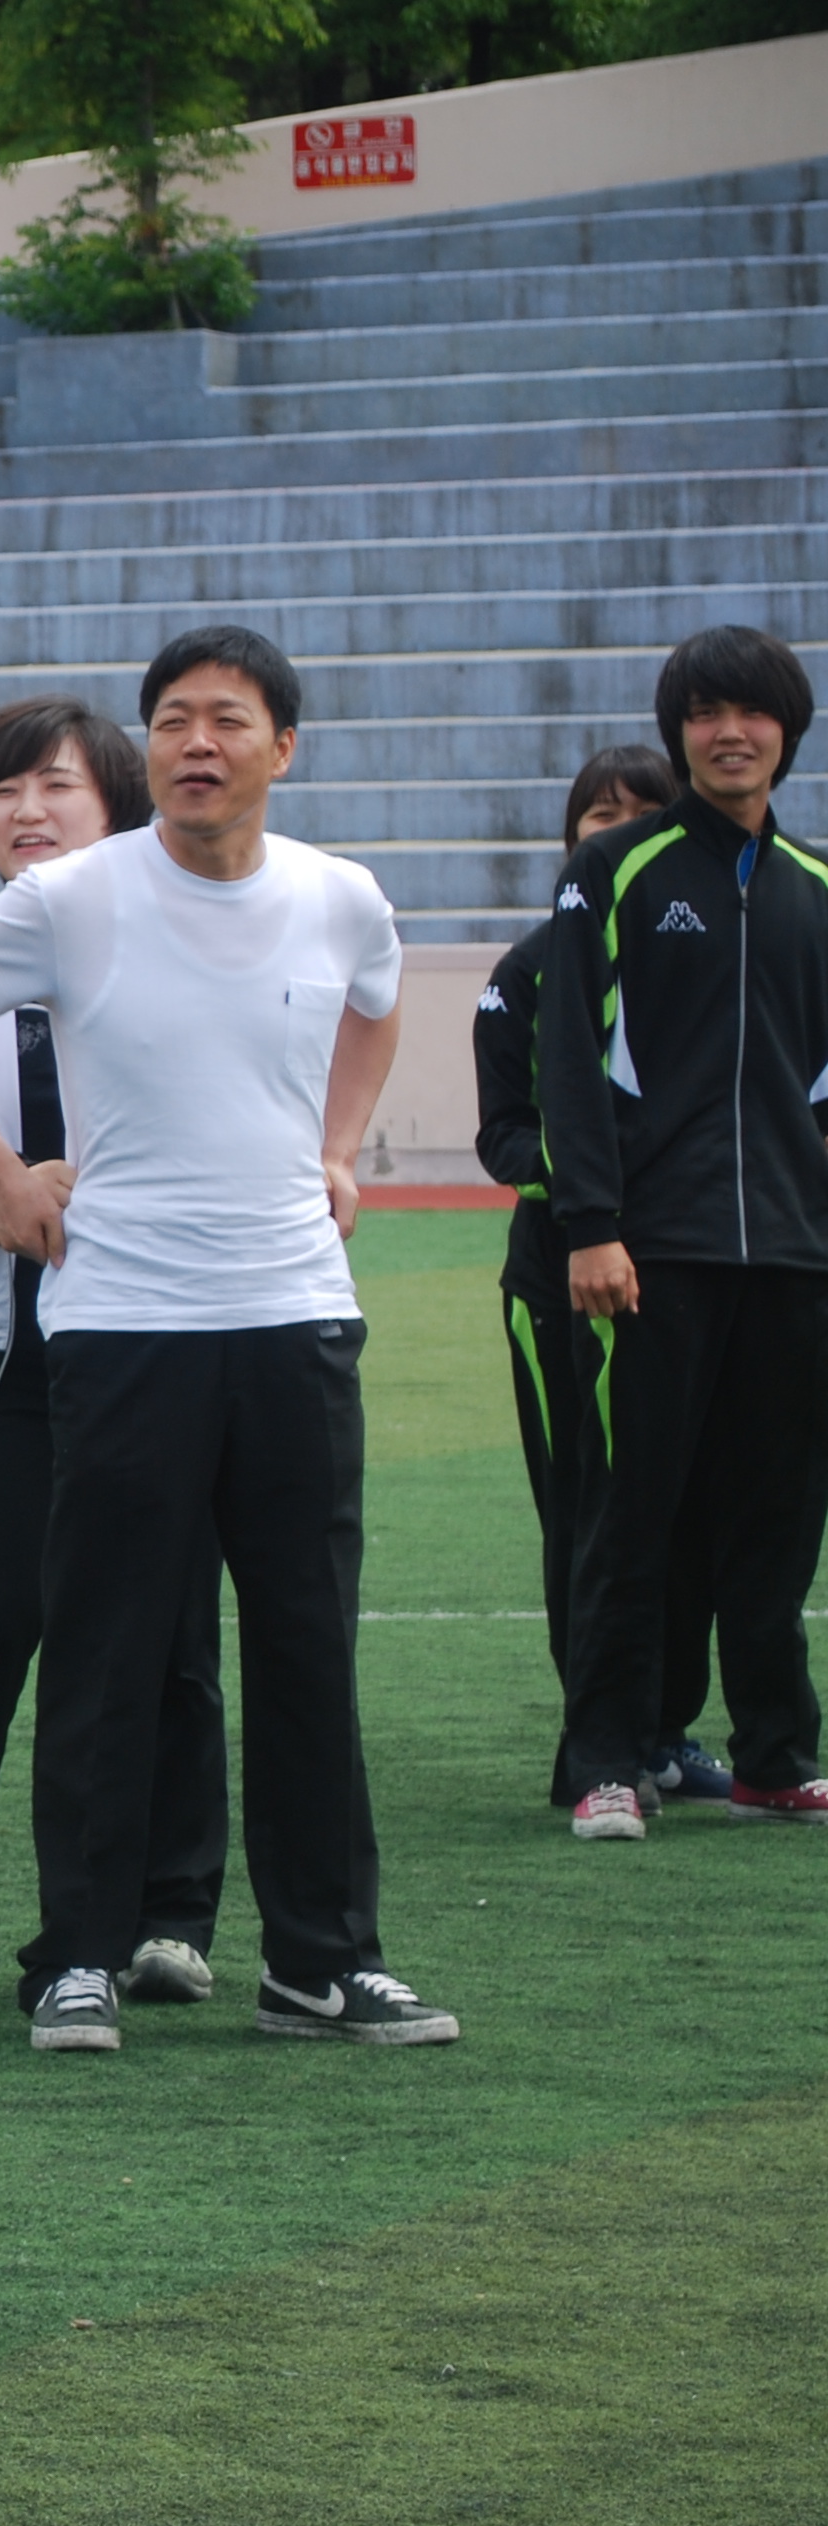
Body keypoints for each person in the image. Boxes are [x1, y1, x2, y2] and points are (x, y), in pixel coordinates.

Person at [0, 623, 460, 2055]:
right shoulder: (75, 896)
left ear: (284, 746)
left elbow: (379, 1009)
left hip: (296, 1318)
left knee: (305, 1646)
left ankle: (321, 1964)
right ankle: (76, 1957)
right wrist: (2, 1172)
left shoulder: (340, 898)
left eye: (226, 719)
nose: (195, 743)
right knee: (107, 1645)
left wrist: (338, 1149)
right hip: (125, 1322)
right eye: (170, 721)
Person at [0, 698, 232, 2014]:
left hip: (158, 1335)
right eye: (3, 790)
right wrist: (4, 1186)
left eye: (55, 786)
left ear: (114, 804)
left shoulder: (175, 939)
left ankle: (169, 1914)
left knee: (169, 1624)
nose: (25, 811)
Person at [535, 626, 828, 1841]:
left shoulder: (815, 887)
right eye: (703, 713)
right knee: (630, 1514)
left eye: (750, 713)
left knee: (776, 1518)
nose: (728, 733)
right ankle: (603, 1760)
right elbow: (566, 1060)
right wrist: (590, 1224)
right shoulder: (615, 870)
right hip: (648, 1256)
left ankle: (773, 1755)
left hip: (794, 1259)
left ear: (785, 732)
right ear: (677, 734)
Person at [472, 744, 738, 1813]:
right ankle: (596, 1743)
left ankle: (663, 1730)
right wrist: (594, 1187)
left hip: (687, 1271)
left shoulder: (707, 955)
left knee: (691, 1508)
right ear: (572, 837)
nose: (618, 826)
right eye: (599, 812)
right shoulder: (526, 972)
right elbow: (501, 1134)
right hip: (560, 1281)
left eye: (641, 810)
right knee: (587, 1512)